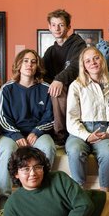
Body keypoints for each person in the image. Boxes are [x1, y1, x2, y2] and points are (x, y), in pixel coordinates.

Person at [0, 49, 56, 216]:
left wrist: (37, 131)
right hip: (12, 133)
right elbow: (1, 117)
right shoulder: (8, 88)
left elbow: (51, 117)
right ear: (18, 65)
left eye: (33, 61)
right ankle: (4, 206)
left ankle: (37, 197)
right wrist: (16, 135)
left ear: (37, 66)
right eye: (25, 61)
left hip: (37, 132)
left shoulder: (45, 88)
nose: (29, 64)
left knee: (48, 147)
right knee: (5, 151)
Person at [66, 47, 109, 191]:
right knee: (75, 150)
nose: (93, 63)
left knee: (108, 152)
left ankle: (106, 194)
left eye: (96, 58)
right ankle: (80, 192)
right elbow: (71, 118)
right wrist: (87, 135)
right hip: (80, 130)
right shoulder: (76, 86)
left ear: (102, 60)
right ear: (83, 66)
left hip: (104, 130)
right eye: (87, 60)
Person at [42, 9, 86, 145]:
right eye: (53, 25)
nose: (57, 28)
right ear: (49, 27)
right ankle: (39, 130)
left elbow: (75, 66)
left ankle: (60, 136)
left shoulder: (78, 43)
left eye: (61, 25)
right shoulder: (50, 51)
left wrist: (59, 80)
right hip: (55, 85)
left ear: (68, 27)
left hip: (76, 86)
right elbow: (43, 72)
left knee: (57, 91)